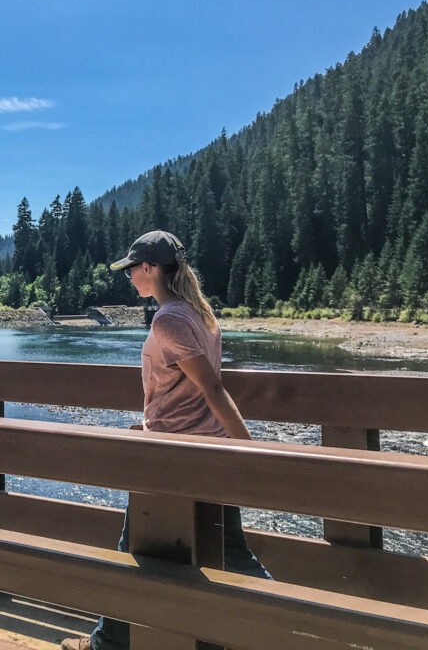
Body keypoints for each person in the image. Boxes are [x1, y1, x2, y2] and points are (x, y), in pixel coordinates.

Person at [61, 230, 271, 650]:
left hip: (175, 458)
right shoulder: (199, 311)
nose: (128, 277)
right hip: (202, 449)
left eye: (131, 269)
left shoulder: (169, 318)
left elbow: (212, 388)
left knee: (135, 552)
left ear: (151, 269)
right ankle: (296, 627)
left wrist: (252, 451)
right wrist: (152, 421)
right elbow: (188, 389)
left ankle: (108, 646)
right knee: (229, 553)